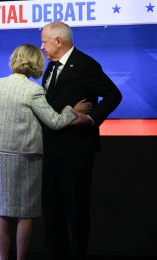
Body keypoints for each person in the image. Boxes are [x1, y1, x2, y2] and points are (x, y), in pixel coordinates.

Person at [0, 44, 91, 260]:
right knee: (25, 212)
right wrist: (73, 111)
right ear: (36, 63)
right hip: (26, 157)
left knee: (2, 212)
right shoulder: (34, 90)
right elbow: (55, 121)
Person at [40, 21, 122, 260]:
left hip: (76, 150)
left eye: (45, 41)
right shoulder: (51, 67)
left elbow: (113, 95)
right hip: (50, 148)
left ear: (59, 41)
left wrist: (90, 118)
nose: (42, 46)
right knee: (51, 211)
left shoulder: (85, 64)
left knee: (75, 210)